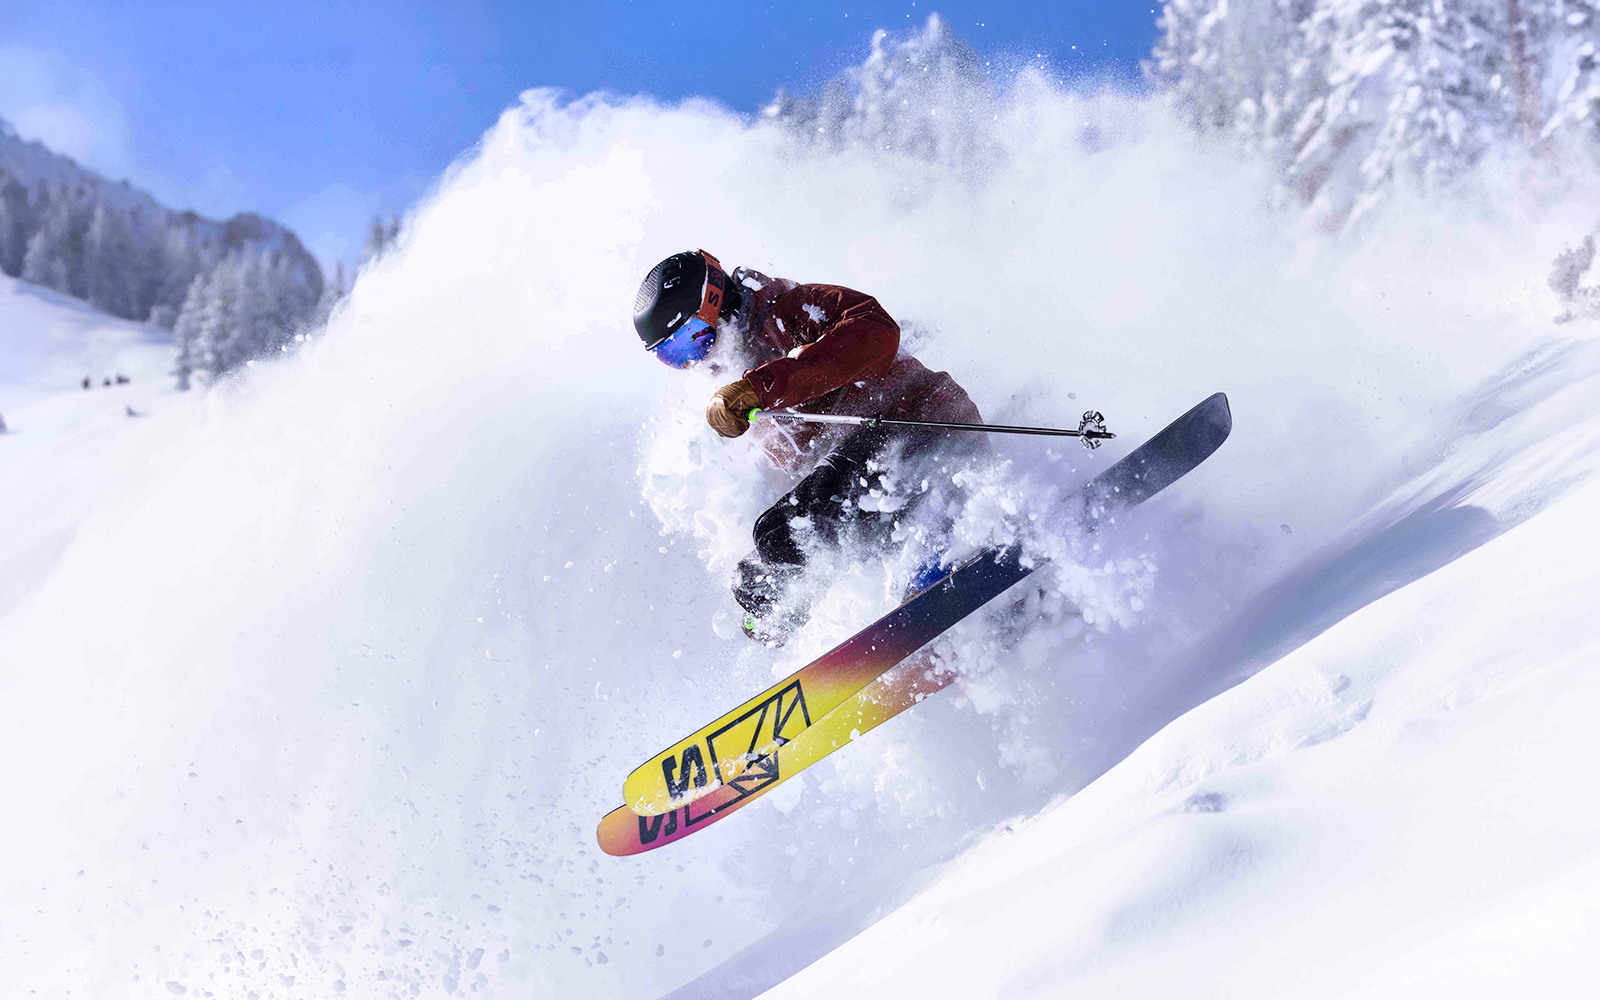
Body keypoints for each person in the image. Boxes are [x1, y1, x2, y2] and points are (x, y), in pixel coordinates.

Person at [633, 249, 984, 644]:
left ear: (715, 302)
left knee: (801, 521)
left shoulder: (789, 311)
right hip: (880, 478)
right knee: (768, 553)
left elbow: (877, 329)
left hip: (920, 425)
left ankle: (945, 562)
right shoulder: (741, 380)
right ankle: (914, 600)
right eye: (674, 357)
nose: (696, 361)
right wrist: (772, 590)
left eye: (692, 341)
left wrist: (760, 387)